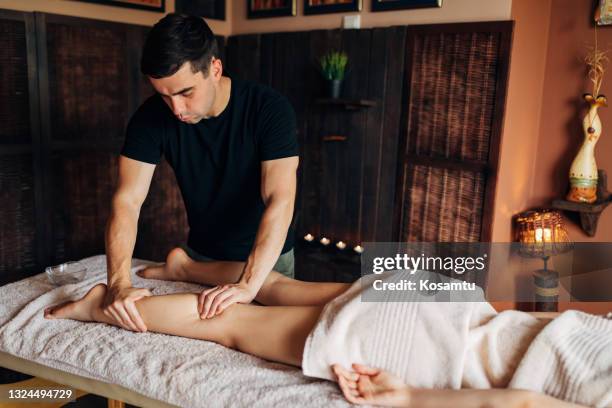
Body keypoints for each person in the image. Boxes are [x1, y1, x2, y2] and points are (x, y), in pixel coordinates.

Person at [44, 255, 593, 408]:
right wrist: (408, 399)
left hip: (454, 306)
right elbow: (519, 404)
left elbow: (550, 325)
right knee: (234, 323)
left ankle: (185, 266)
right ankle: (98, 306)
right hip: (432, 349)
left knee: (281, 286)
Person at [104, 13, 299, 333]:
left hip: (266, 259)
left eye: (185, 93)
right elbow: (127, 201)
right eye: (164, 96)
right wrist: (118, 283)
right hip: (202, 255)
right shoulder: (150, 118)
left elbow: (280, 198)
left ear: (215, 69)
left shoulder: (269, 108)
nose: (176, 109)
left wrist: (248, 284)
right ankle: (181, 268)